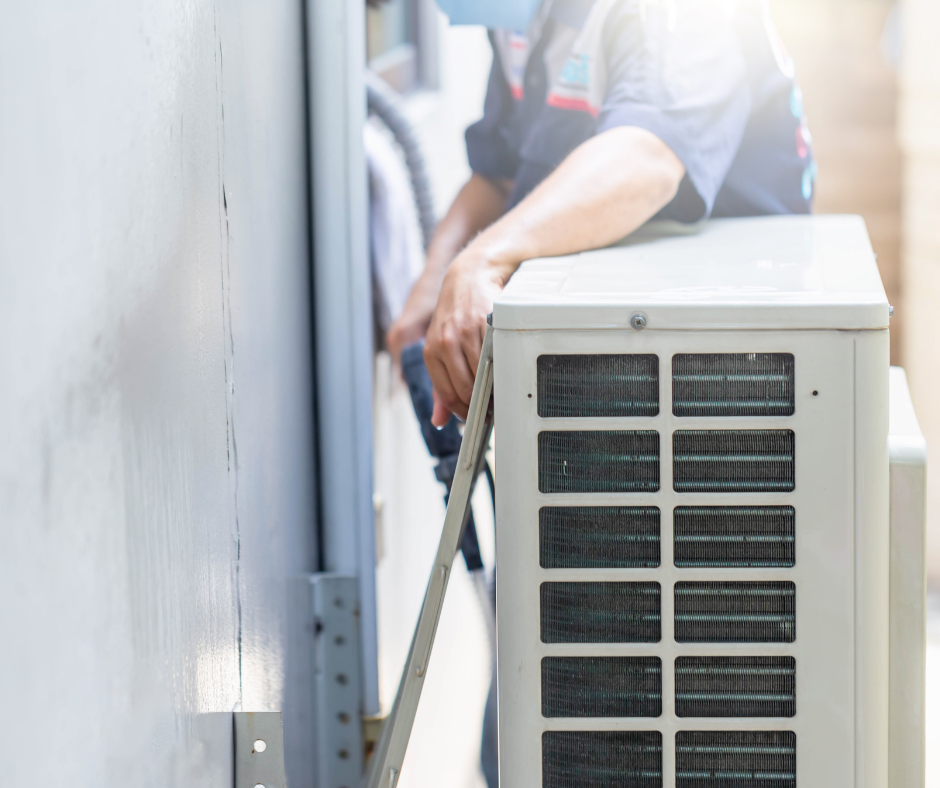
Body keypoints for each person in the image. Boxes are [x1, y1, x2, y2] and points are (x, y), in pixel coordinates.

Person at [387, 0, 815, 430]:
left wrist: (481, 261)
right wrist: (436, 282)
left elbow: (646, 158)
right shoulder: (519, 21)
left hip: (727, 358)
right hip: (608, 352)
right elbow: (498, 176)